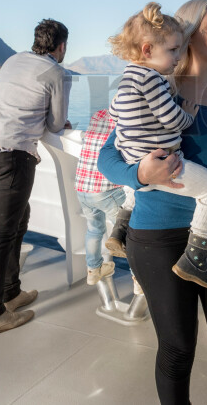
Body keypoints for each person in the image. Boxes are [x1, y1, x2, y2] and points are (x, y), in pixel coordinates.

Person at [97, 0, 207, 405]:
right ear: (188, 35)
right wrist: (140, 174)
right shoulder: (155, 84)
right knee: (178, 351)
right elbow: (109, 155)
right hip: (157, 236)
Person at [0, 19, 72, 339]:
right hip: (8, 159)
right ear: (62, 46)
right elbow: (55, 124)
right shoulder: (57, 73)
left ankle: (10, 293)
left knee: (17, 218)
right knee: (0, 236)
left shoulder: (13, 60)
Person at [108, 2, 207, 288]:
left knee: (133, 192)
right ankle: (196, 257)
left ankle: (119, 227)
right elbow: (171, 118)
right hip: (157, 222)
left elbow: (114, 112)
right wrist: (189, 116)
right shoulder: (155, 81)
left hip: (137, 158)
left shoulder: (130, 77)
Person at [74, 109, 126, 284]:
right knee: (128, 231)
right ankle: (138, 277)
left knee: (94, 230)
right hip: (105, 190)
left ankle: (93, 270)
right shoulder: (125, 122)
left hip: (82, 188)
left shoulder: (98, 115)